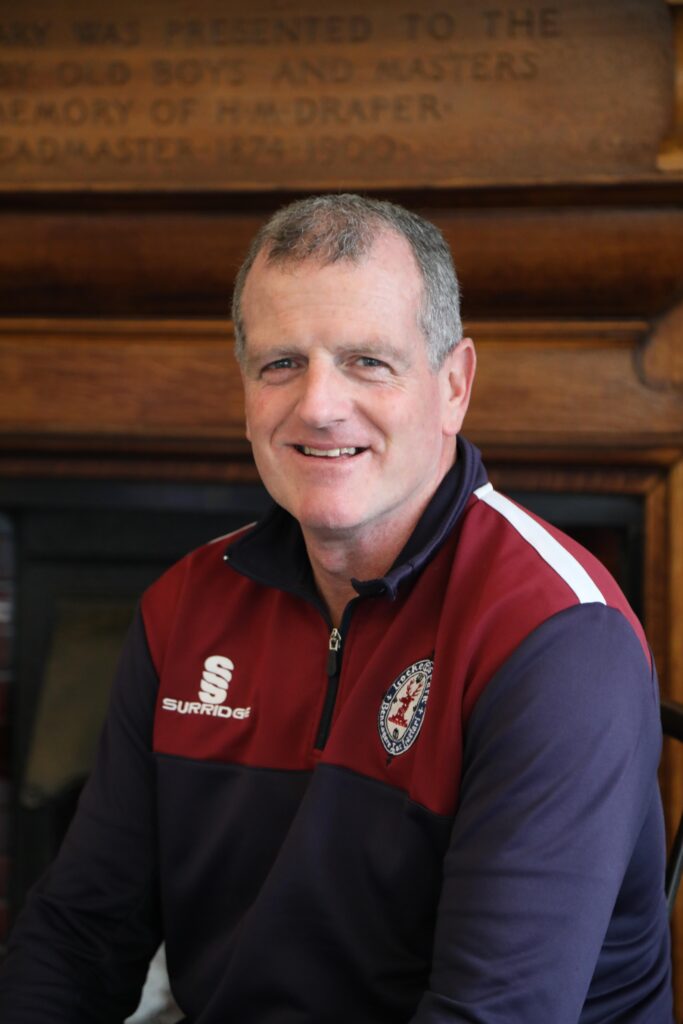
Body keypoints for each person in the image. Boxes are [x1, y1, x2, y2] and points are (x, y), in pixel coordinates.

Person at [0, 194, 673, 1022]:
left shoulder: (557, 637)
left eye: (367, 361)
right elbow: (81, 933)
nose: (318, 406)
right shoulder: (185, 605)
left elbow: (490, 1013)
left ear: (453, 385)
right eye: (281, 363)